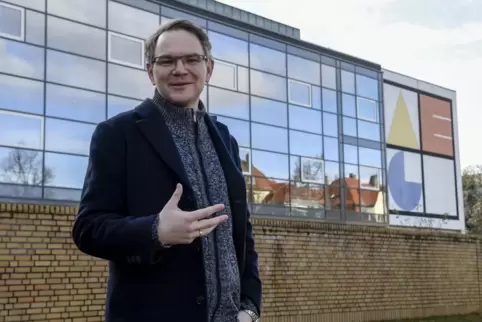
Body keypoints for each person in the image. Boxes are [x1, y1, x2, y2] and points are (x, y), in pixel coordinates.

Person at [72, 18, 262, 322]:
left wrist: (250, 307)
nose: (180, 69)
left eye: (191, 59)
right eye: (167, 60)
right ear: (151, 71)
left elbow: (242, 234)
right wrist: (155, 231)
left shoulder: (227, 140)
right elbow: (88, 229)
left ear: (208, 69)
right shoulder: (116, 134)